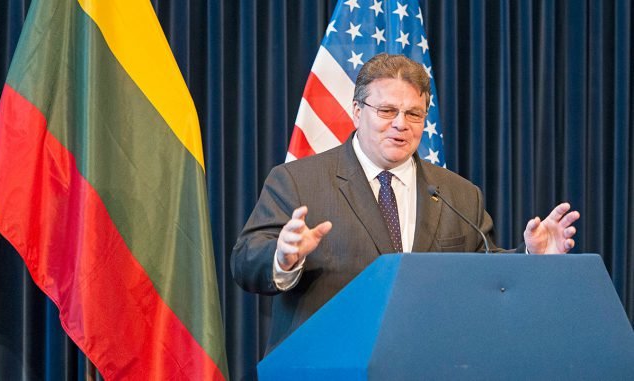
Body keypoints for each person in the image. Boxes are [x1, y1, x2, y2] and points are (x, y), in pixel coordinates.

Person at [231, 53, 580, 353]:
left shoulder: (459, 193)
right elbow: (245, 262)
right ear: (357, 111)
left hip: (427, 362)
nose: (400, 124)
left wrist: (531, 258)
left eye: (414, 114)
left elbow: (484, 277)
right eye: (386, 110)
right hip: (327, 363)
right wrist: (282, 257)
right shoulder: (297, 180)